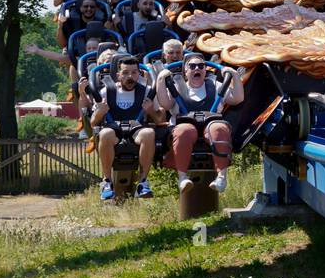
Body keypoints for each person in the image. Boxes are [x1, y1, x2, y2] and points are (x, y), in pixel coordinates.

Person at [155, 54, 245, 193]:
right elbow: (165, 104)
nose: (197, 68)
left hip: (211, 123)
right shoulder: (177, 86)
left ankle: (222, 176)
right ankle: (182, 177)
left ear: (205, 70)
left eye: (201, 66)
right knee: (184, 131)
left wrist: (233, 75)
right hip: (185, 124)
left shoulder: (215, 85)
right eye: (192, 66)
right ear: (186, 71)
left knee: (219, 128)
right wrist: (161, 78)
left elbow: (238, 98)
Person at [91, 55, 159, 201]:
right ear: (118, 75)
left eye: (134, 73)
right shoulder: (106, 92)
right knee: (106, 133)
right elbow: (92, 122)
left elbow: (161, 120)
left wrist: (151, 111)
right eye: (126, 73)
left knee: (149, 133)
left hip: (137, 129)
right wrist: (100, 113)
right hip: (114, 128)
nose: (130, 77)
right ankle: (107, 181)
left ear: (139, 74)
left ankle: (143, 182)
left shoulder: (146, 91)